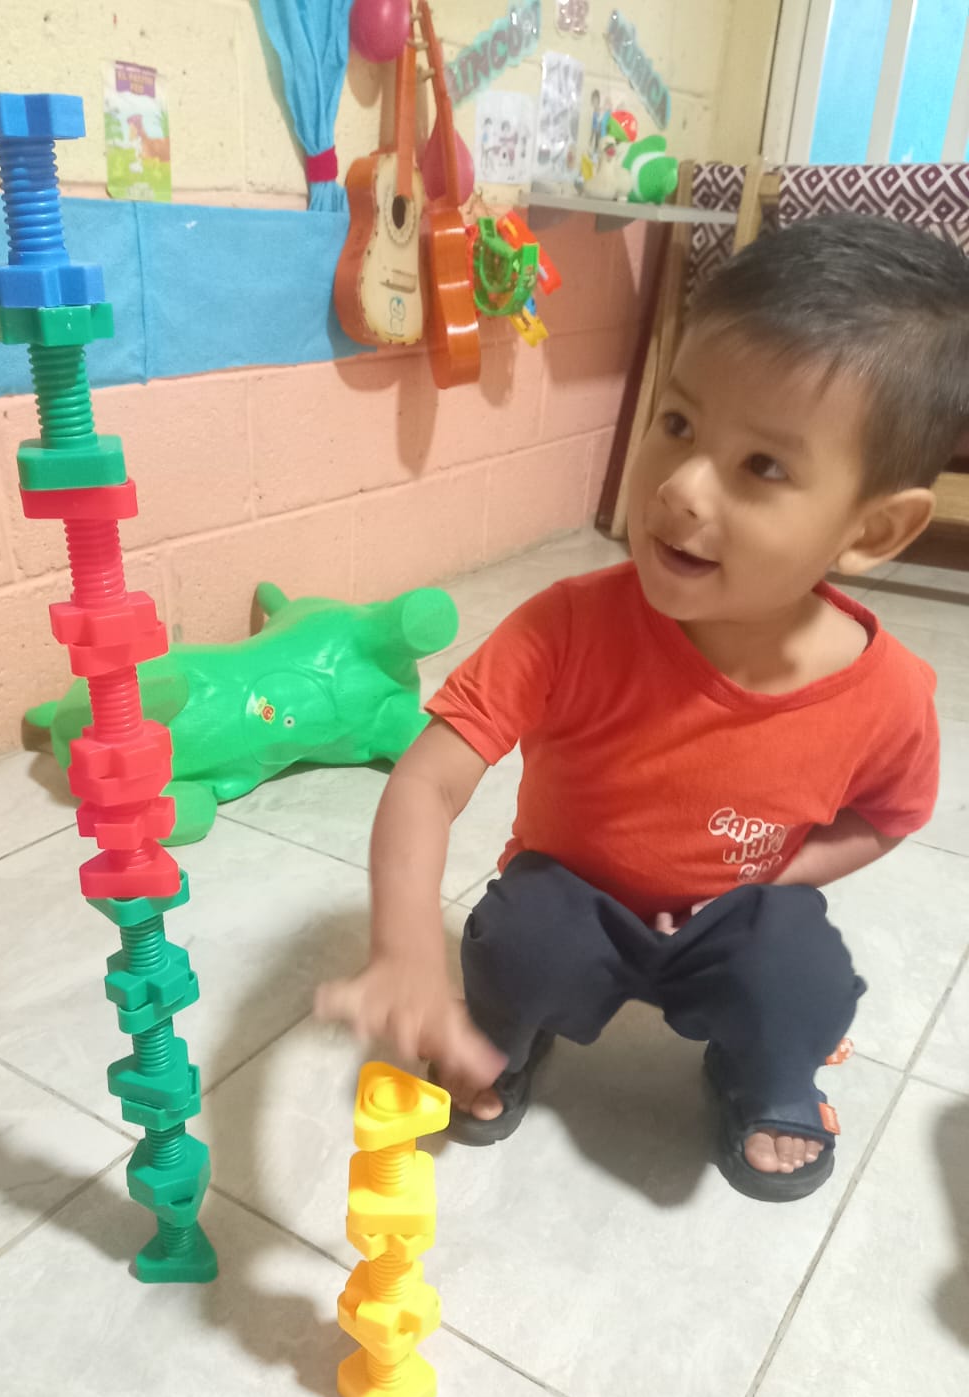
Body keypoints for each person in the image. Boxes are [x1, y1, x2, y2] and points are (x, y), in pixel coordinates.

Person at [317, 214, 969, 1201]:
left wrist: (780, 873)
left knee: (802, 972)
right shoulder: (568, 624)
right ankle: (501, 1035)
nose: (683, 487)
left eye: (763, 466)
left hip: (731, 921)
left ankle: (763, 1077)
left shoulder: (889, 694)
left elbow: (887, 816)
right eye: (677, 424)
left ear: (873, 530)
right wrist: (405, 948)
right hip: (575, 900)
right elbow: (429, 779)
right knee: (518, 937)